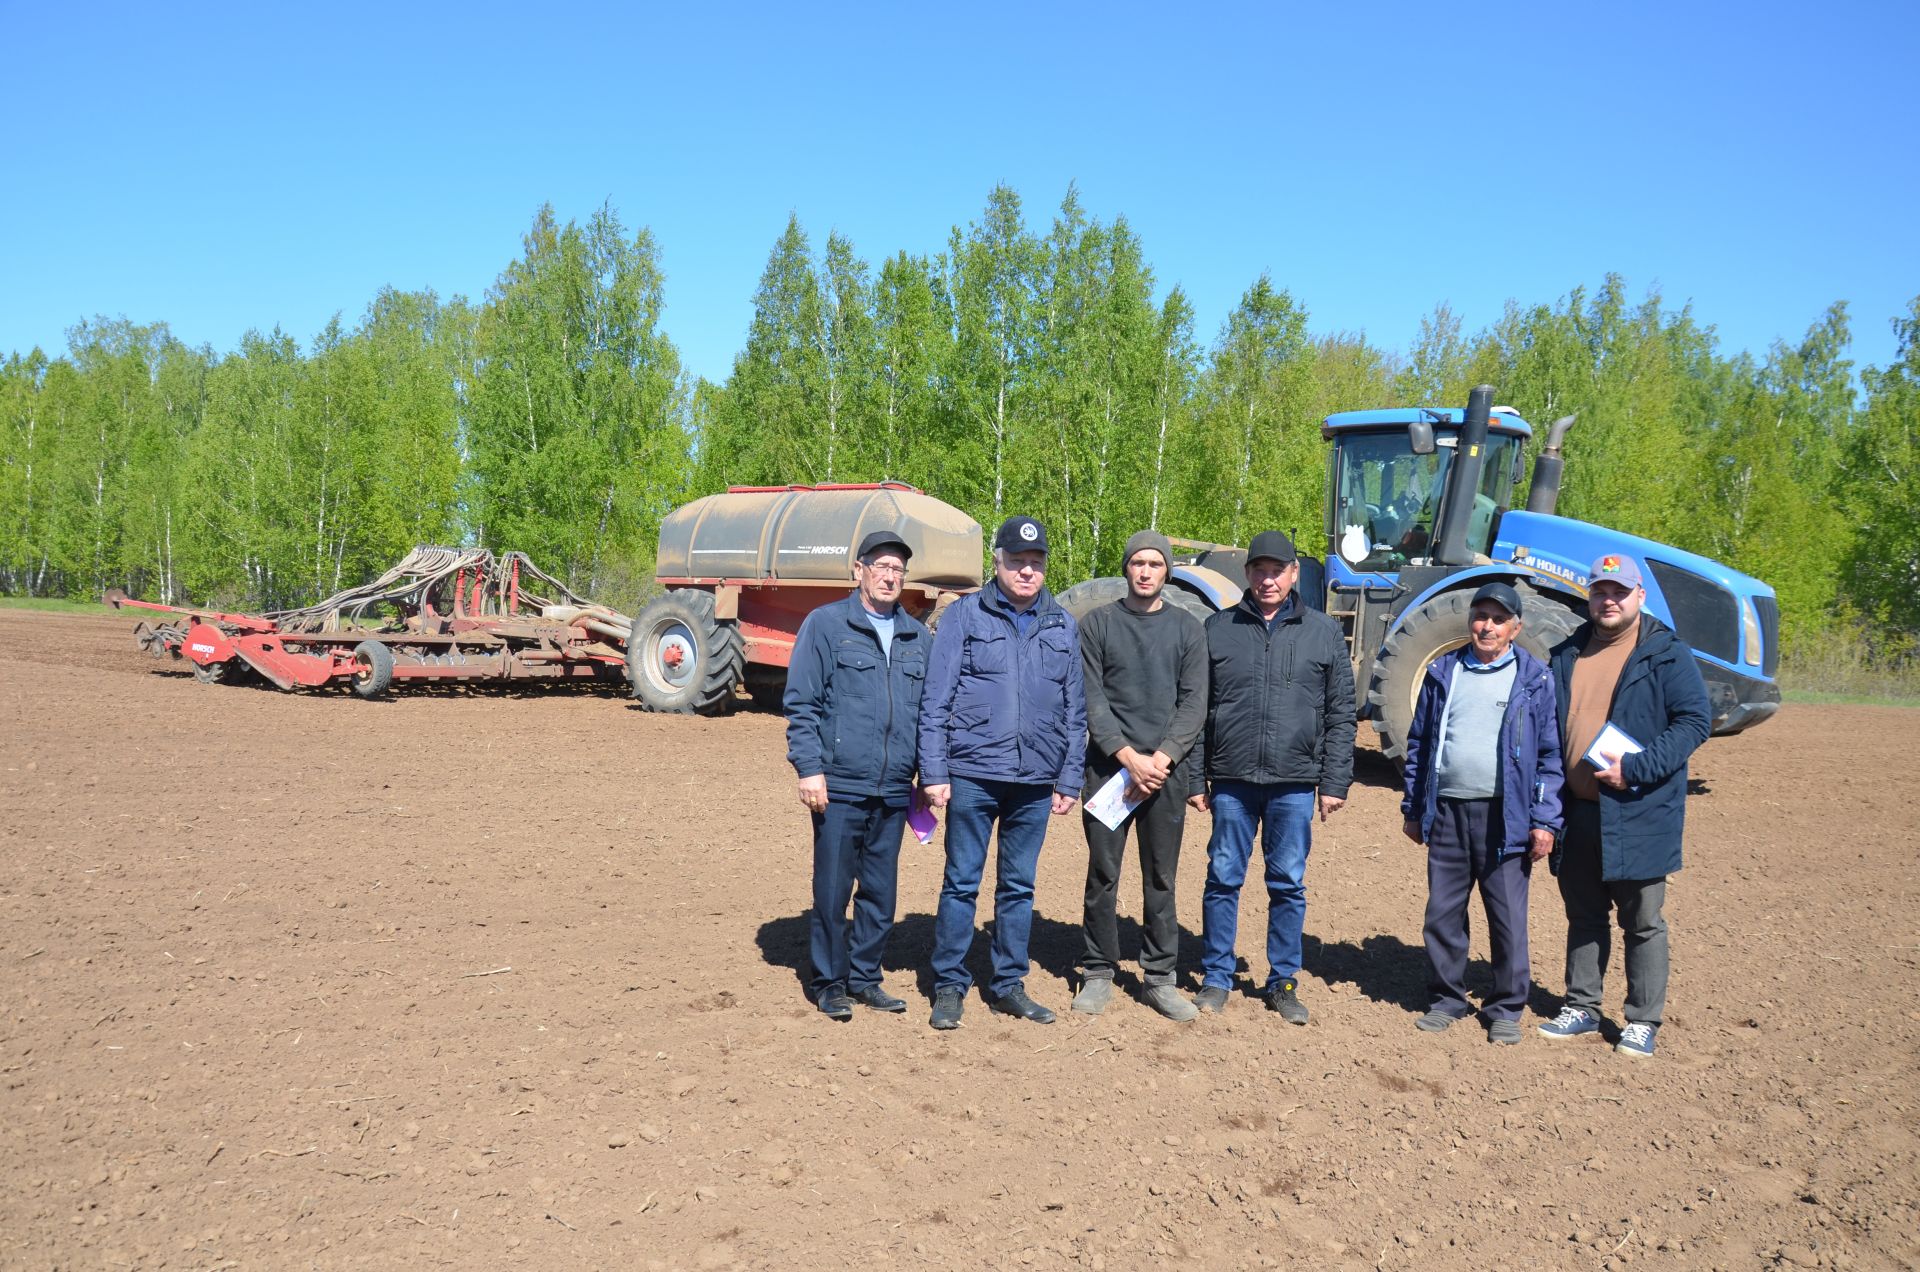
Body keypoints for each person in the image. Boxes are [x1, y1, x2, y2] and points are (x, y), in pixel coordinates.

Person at [1538, 553, 1711, 1059]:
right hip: (1578, 811)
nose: (1608, 600)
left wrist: (1636, 768)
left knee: (1642, 921)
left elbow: (1694, 721)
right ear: (1588, 597)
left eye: (1619, 591)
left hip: (1638, 809)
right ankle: (1582, 1007)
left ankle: (1641, 1020)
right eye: (1599, 591)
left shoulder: (1665, 654)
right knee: (1584, 915)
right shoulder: (1568, 652)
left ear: (1640, 596)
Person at [919, 515, 1086, 1030]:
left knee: (1018, 888)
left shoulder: (1062, 623)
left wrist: (1069, 778)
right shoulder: (965, 616)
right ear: (998, 563)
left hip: (1035, 782)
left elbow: (1075, 708)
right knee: (961, 882)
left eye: (1036, 563)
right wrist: (934, 771)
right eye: (1017, 562)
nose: (1027, 572)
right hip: (971, 773)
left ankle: (1009, 984)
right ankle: (949, 985)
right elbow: (936, 699)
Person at [1189, 530, 1355, 1022]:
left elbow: (1341, 712)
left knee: (1287, 883)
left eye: (1277, 570)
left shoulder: (1323, 631)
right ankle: (1217, 975)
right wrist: (1197, 779)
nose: (1267, 579)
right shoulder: (1218, 628)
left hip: (1295, 782)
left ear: (1294, 573)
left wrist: (1335, 782)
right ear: (1247, 574)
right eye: (1259, 570)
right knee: (1222, 878)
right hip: (1233, 781)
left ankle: (1282, 979)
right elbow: (1198, 709)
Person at [1400, 582, 1564, 1044]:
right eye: (1480, 616)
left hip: (1505, 817)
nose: (1486, 625)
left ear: (1515, 627)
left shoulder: (1533, 680)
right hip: (1449, 811)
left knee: (1507, 915)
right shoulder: (1443, 673)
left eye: (1497, 618)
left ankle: (1507, 1007)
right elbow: (1420, 744)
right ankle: (1447, 998)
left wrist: (1544, 820)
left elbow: (1550, 756)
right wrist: (1414, 808)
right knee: (1443, 912)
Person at [783, 530, 930, 1021]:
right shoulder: (826, 625)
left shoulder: (917, 636)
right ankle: (829, 983)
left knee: (880, 892)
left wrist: (928, 778)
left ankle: (866, 977)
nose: (890, 576)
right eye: (881, 566)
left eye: (897, 569)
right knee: (832, 889)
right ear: (859, 571)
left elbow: (929, 713)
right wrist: (810, 769)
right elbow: (802, 703)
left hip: (893, 787)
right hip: (840, 783)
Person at [1072, 530, 1209, 1022]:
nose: (1146, 571)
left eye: (1155, 563)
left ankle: (1159, 977)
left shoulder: (1188, 629)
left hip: (1165, 775)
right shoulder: (1099, 625)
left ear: (1166, 571)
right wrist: (1129, 758)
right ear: (1126, 568)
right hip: (1109, 770)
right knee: (1103, 874)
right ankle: (1097, 971)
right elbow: (1092, 699)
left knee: (1162, 877)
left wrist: (1163, 760)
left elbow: (1194, 703)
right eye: (1138, 563)